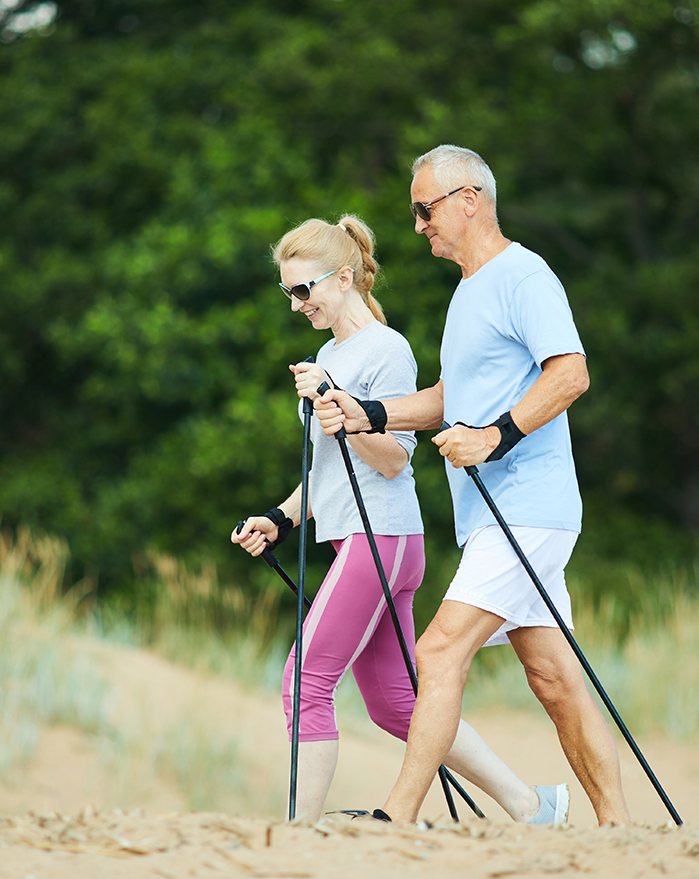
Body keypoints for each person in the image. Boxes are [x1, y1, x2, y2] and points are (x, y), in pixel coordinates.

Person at [314, 146, 632, 826]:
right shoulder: (468, 293)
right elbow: (449, 399)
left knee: (436, 649)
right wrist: (368, 412)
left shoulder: (523, 275)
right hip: (500, 516)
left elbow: (570, 373)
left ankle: (397, 817)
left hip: (528, 507)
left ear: (470, 199)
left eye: (424, 210)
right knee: (552, 677)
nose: (419, 225)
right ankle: (620, 830)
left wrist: (495, 435)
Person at [232, 214, 568, 825]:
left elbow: (390, 459)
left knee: (304, 682)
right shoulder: (330, 354)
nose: (295, 304)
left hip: (380, 538)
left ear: (343, 279)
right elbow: (329, 473)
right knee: (395, 704)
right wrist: (279, 518)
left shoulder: (386, 349)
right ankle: (531, 805)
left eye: (302, 290)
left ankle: (298, 835)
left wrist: (341, 402)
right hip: (360, 540)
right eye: (288, 293)